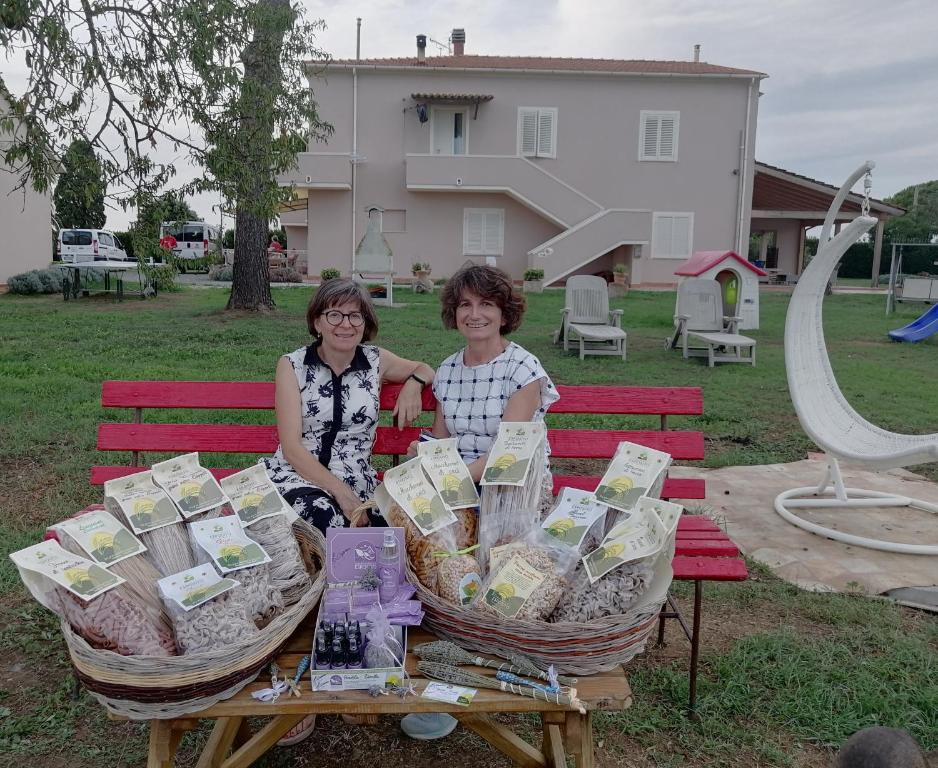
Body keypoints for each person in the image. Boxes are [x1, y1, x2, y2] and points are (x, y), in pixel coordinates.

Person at [400, 264, 559, 741]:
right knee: (433, 561)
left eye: (486, 304)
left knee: (489, 567)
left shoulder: (522, 369)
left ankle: (500, 667)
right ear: (454, 312)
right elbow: (444, 438)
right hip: (459, 485)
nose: (475, 314)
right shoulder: (448, 369)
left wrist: (441, 474)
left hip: (510, 490)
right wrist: (424, 453)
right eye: (465, 305)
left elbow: (506, 454)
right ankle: (451, 677)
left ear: (504, 312)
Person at [264, 277, 435, 533]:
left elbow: (425, 368)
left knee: (403, 526)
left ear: (364, 323)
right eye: (334, 315)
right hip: (298, 476)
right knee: (326, 515)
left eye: (355, 316)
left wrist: (414, 384)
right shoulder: (292, 365)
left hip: (358, 481)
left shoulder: (377, 360)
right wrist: (341, 493)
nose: (346, 324)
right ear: (317, 322)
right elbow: (291, 448)